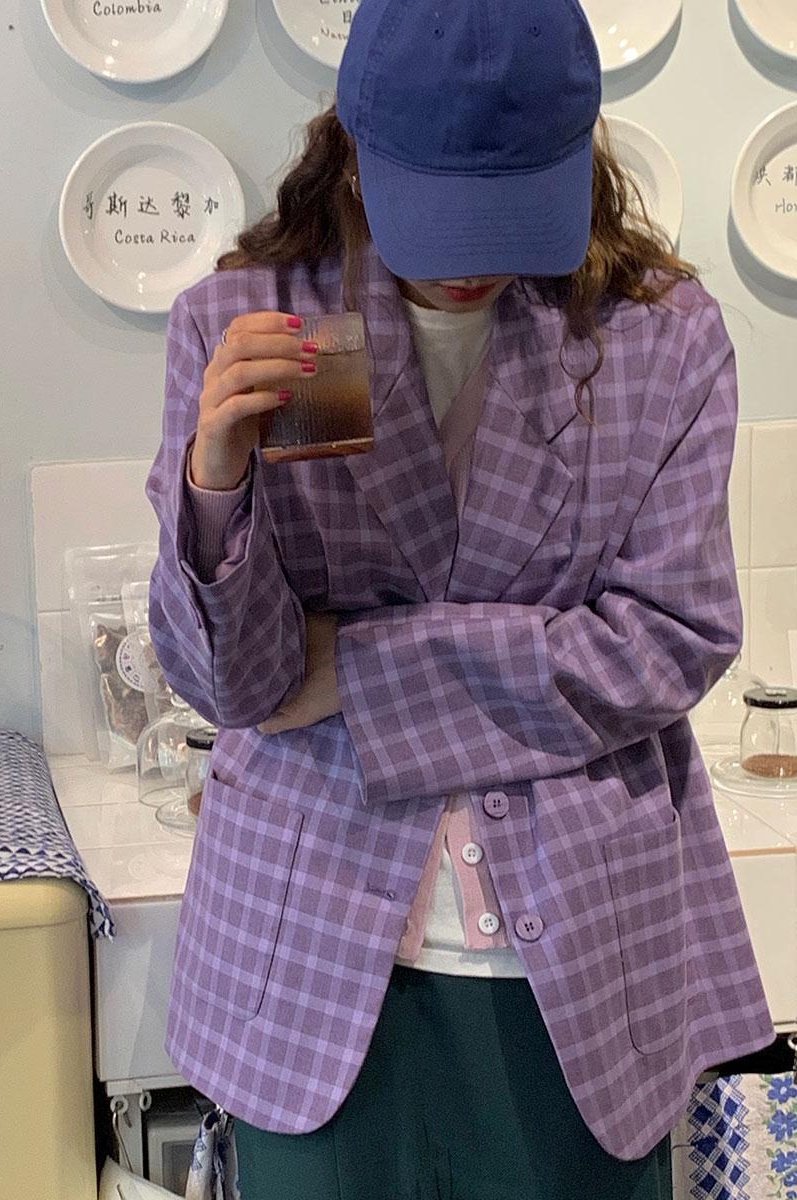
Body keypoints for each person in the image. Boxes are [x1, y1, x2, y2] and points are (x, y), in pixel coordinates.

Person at [144, 0, 777, 1197]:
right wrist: (214, 481)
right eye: (435, 208)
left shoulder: (662, 339)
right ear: (355, 150)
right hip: (309, 945)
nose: (471, 258)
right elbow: (239, 687)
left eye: (512, 210)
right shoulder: (253, 324)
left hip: (587, 951)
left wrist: (356, 670)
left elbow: (672, 637)